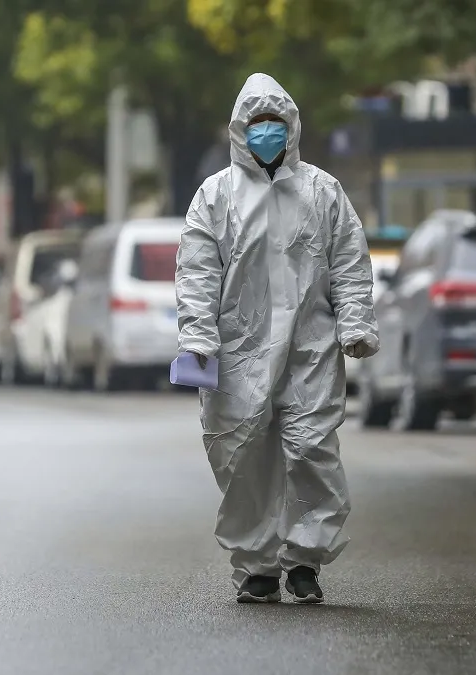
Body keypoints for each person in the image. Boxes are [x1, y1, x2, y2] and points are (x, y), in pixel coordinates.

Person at [175, 73, 379, 604]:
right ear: (240, 130)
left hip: (309, 347)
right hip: (239, 350)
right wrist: (198, 338)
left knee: (311, 449)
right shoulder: (216, 195)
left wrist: (355, 322)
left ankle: (304, 560)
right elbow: (198, 272)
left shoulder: (322, 190)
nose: (267, 132)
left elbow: (349, 263)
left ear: (291, 128)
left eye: (275, 123)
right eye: (257, 124)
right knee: (242, 455)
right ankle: (258, 565)